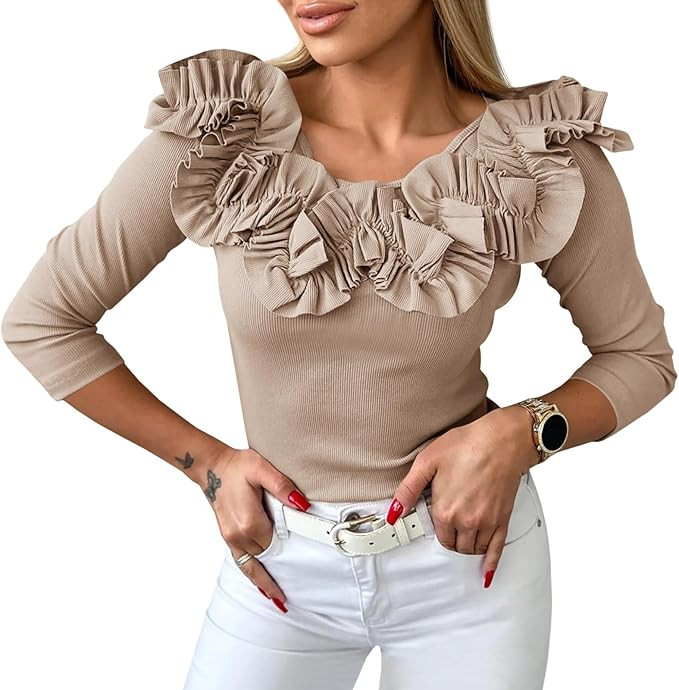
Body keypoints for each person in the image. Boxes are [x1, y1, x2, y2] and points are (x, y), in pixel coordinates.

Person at [2, 1, 676, 688]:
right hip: (276, 569)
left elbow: (640, 357)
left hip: (471, 564)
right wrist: (207, 466)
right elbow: (43, 320)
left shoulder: (531, 154)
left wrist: (520, 433)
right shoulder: (226, 130)